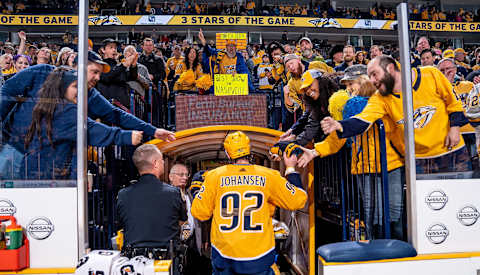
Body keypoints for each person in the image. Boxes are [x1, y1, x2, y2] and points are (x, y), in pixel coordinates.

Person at [0, 51, 175, 180]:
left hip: (46, 162)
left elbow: (114, 114)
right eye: (94, 71)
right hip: (12, 149)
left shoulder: (87, 93)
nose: (98, 78)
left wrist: (153, 130)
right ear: (77, 67)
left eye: (100, 73)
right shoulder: (41, 72)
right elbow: (7, 91)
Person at [320, 55, 471, 174]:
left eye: (374, 74)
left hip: (452, 150)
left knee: (462, 202)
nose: (372, 80)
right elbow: (363, 120)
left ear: (391, 69)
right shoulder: (380, 97)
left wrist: (455, 127)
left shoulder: (431, 74)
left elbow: (453, 103)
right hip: (418, 159)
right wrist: (339, 124)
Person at [298, 75, 406, 240]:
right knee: (373, 215)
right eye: (347, 85)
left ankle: (398, 254)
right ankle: (377, 254)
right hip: (364, 167)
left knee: (394, 214)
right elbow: (336, 138)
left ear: (365, 81)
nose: (348, 89)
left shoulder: (386, 101)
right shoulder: (351, 107)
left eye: (351, 84)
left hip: (391, 165)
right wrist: (315, 151)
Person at [191, 131, 307, 274]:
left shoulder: (213, 176)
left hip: (225, 256)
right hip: (259, 257)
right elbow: (298, 200)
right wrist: (290, 167)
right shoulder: (269, 175)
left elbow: (199, 213)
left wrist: (197, 192)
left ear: (228, 154)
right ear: (249, 150)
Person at [21, 67, 142, 179]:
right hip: (45, 176)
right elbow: (90, 129)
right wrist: (126, 136)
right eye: (75, 86)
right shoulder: (66, 111)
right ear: (62, 88)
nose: (80, 91)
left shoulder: (47, 107)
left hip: (36, 172)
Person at [117, 144, 187, 261]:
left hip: (133, 261)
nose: (163, 163)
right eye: (161, 160)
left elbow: (123, 223)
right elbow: (182, 221)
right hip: (165, 262)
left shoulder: (123, 194)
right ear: (155, 163)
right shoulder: (173, 193)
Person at [97, 38, 138, 109]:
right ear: (103, 50)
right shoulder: (99, 65)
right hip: (107, 105)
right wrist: (123, 65)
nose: (114, 50)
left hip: (123, 106)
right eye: (111, 47)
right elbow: (107, 77)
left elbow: (132, 77)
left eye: (115, 48)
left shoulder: (119, 65)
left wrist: (133, 65)